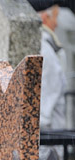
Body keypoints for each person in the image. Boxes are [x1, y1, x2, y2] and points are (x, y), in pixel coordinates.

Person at [30, 0, 67, 132]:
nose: (56, 24)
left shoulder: (43, 45)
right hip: (47, 139)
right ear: (45, 18)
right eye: (55, 17)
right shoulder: (45, 49)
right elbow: (45, 108)